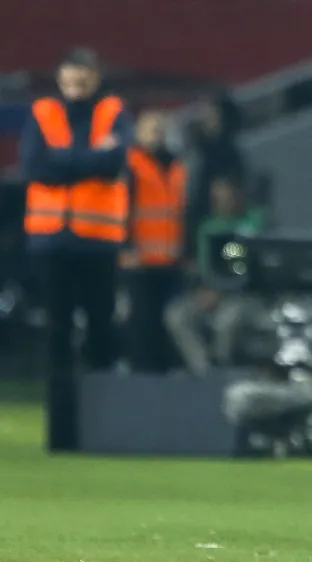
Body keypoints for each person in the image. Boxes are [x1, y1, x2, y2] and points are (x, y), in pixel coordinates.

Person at [19, 48, 134, 451]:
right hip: (52, 243)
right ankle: (62, 434)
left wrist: (64, 161)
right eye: (70, 77)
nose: (77, 85)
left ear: (96, 77)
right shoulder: (43, 112)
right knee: (58, 336)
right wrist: (88, 157)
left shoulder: (113, 111)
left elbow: (113, 162)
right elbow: (33, 166)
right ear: (60, 77)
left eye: (83, 77)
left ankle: (102, 429)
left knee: (101, 333)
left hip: (97, 244)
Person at [164, 177, 265, 375]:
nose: (222, 204)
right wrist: (206, 291)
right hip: (211, 293)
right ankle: (204, 371)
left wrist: (222, 291)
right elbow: (206, 267)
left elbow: (247, 267)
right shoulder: (208, 228)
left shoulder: (254, 223)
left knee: (226, 322)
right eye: (217, 199)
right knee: (176, 315)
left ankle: (224, 369)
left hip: (245, 296)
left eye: (227, 198)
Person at [120, 109, 187, 373]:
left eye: (160, 130)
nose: (156, 136)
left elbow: (182, 212)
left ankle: (164, 372)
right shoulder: (131, 164)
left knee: (166, 323)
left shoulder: (176, 166)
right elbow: (120, 210)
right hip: (140, 260)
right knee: (142, 321)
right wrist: (125, 248)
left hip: (170, 260)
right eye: (150, 129)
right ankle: (142, 373)